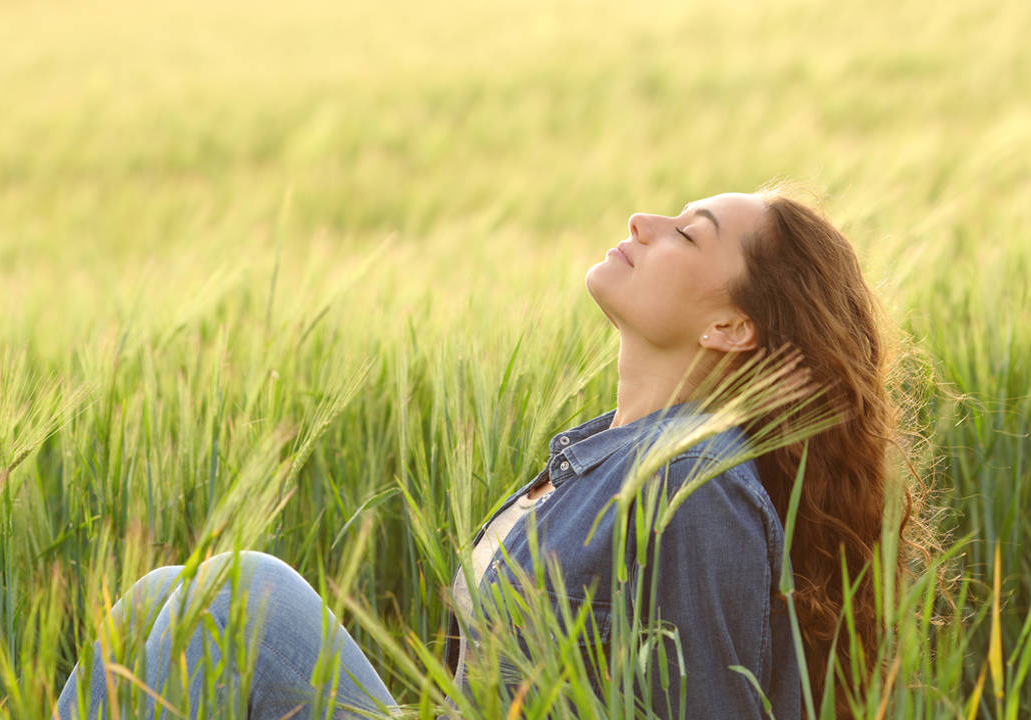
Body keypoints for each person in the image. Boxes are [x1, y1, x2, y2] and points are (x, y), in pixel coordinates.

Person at [55, 188, 914, 719]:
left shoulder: (692, 483)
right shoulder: (603, 454)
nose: (642, 221)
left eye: (687, 235)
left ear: (731, 324)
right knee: (164, 598)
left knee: (241, 595)